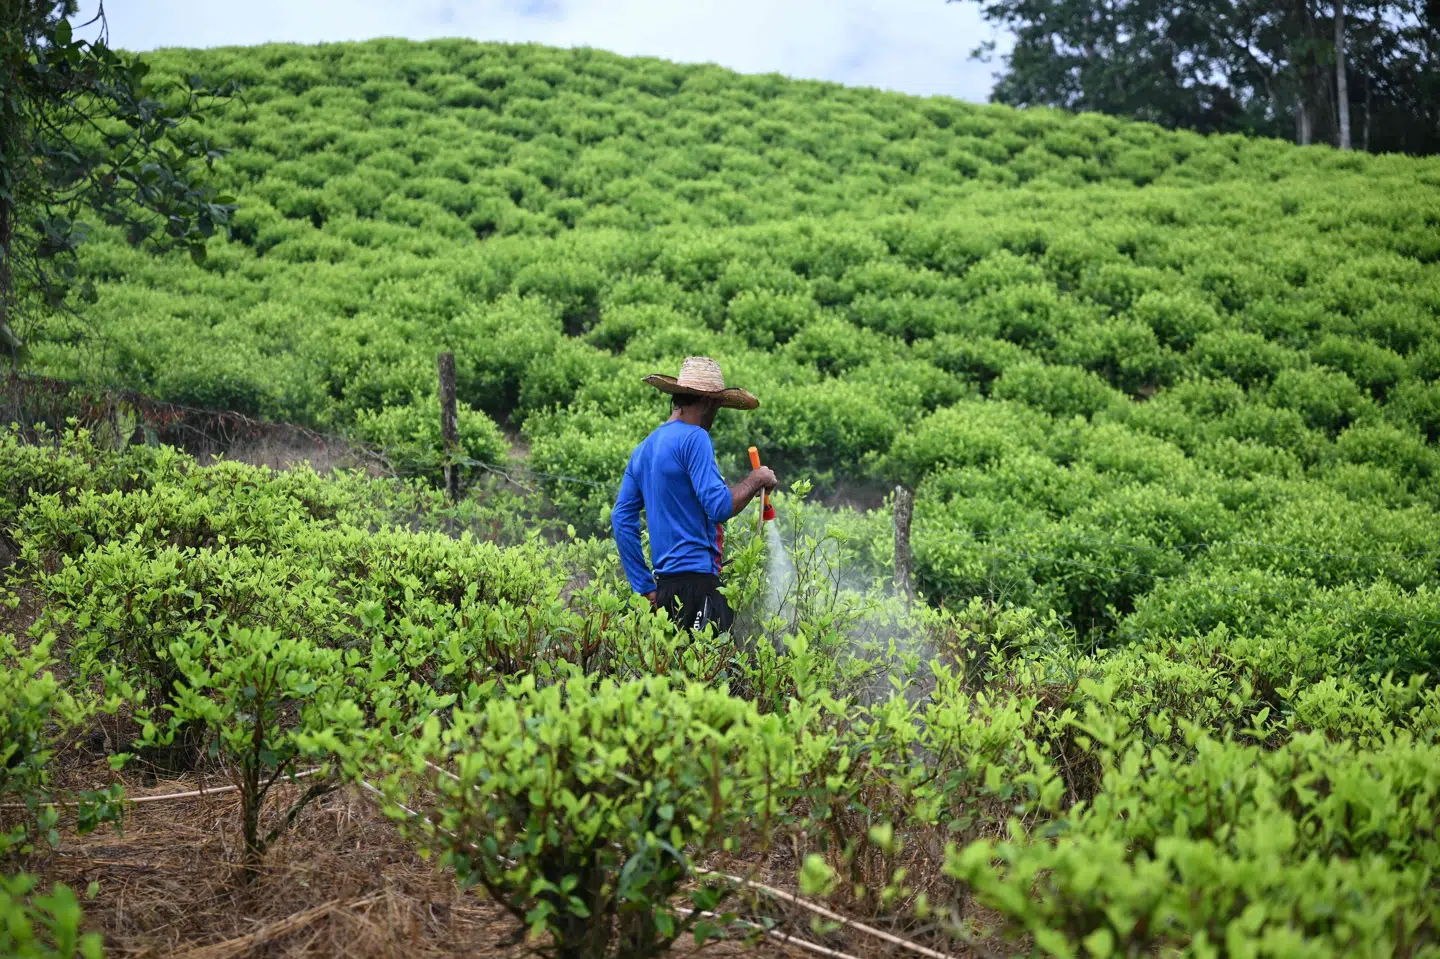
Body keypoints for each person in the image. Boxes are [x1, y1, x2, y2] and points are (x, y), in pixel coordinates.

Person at [612, 356, 778, 635]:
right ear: (709, 402)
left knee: (673, 674)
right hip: (699, 586)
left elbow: (620, 518)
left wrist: (644, 586)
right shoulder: (695, 438)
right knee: (711, 674)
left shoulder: (643, 449)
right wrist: (755, 480)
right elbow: (719, 507)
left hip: (664, 590)